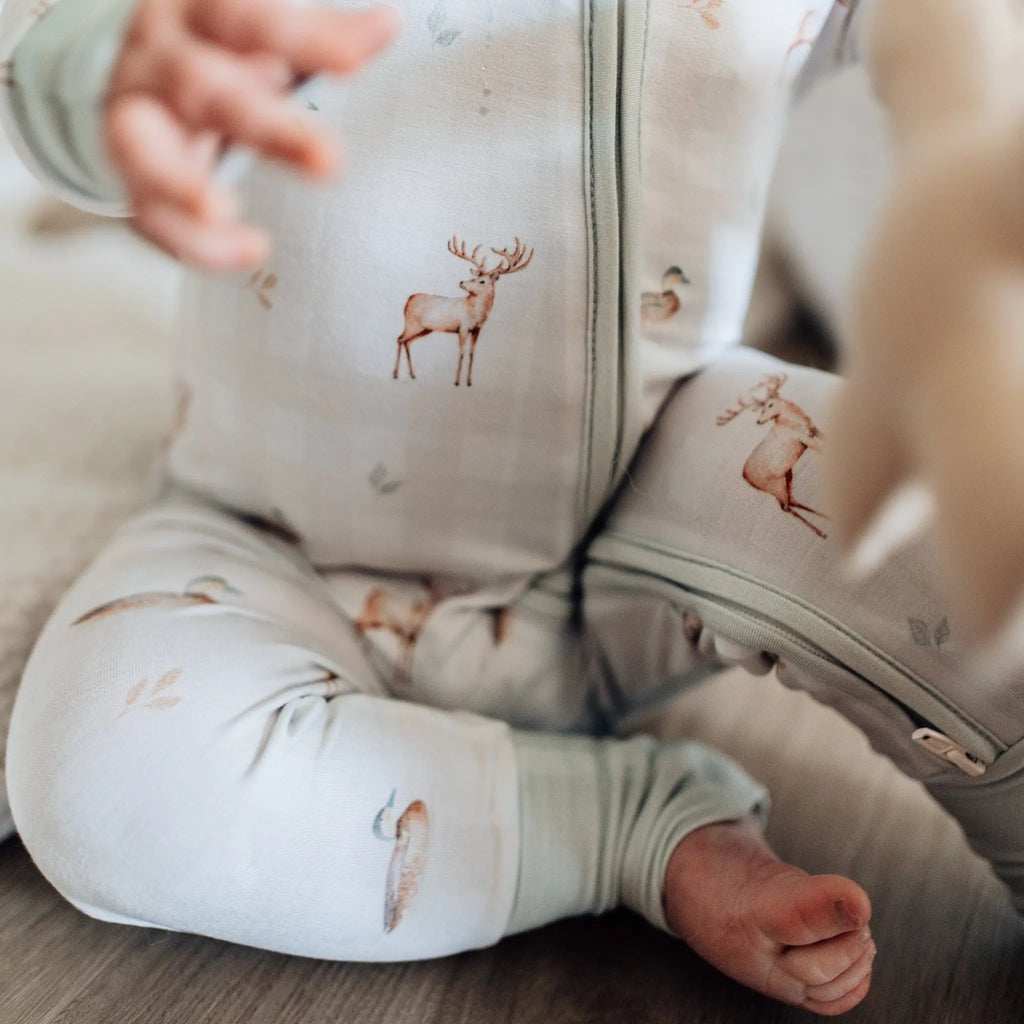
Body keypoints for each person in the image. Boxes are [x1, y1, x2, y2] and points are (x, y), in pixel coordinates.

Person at [6, 0, 1010, 1015]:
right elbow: (52, 41)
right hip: (272, 543)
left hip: (654, 495)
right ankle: (626, 823)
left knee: (966, 526)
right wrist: (106, 72)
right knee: (103, 781)